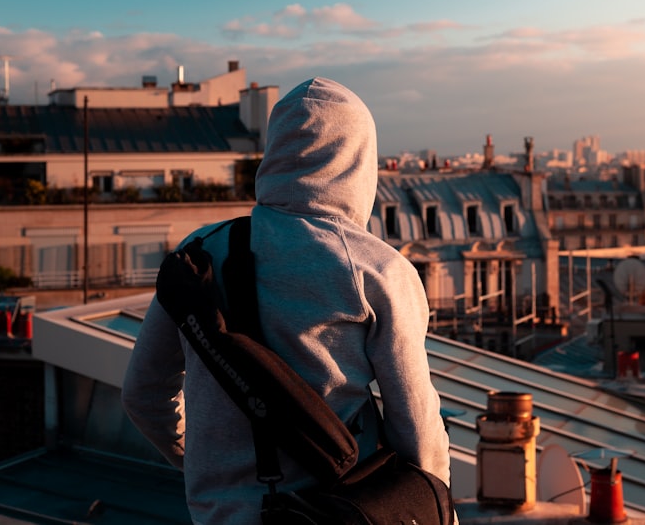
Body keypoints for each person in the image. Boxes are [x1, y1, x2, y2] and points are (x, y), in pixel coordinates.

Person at [122, 77, 451, 524]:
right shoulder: (377, 269)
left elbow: (143, 393)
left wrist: (206, 471)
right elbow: (415, 424)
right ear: (358, 160)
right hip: (338, 512)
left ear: (274, 151)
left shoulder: (197, 255)